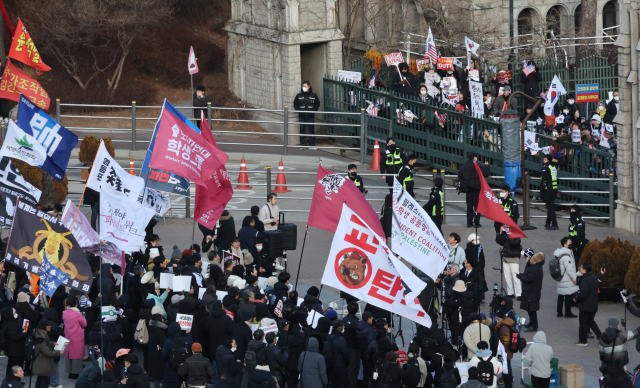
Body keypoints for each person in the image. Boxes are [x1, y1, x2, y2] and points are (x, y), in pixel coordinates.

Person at [457, 151, 490, 228]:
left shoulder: (464, 166)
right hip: (477, 189)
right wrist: (487, 166)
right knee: (477, 206)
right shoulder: (478, 166)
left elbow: (460, 175)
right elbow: (486, 173)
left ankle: (469, 222)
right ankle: (477, 223)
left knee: (469, 206)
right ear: (474, 157)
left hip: (468, 189)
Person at [574, 263, 603, 346]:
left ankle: (583, 341)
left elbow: (583, 293)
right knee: (591, 322)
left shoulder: (585, 280)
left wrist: (576, 298)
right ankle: (600, 336)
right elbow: (596, 277)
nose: (580, 268)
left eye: (582, 267)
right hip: (594, 305)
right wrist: (601, 273)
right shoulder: (593, 278)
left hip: (585, 306)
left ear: (585, 270)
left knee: (583, 323)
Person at [32, 320, 65, 388]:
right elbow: (48, 352)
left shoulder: (40, 334)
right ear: (44, 327)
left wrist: (53, 343)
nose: (50, 326)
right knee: (44, 380)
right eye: (48, 325)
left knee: (40, 379)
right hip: (43, 362)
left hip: (40, 361)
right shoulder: (41, 339)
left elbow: (45, 343)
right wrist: (59, 352)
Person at [62, 298, 86, 379]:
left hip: (68, 335)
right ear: (76, 305)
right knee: (77, 356)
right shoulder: (77, 314)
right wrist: (84, 318)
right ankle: (75, 373)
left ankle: (70, 372)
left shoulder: (65, 313)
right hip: (77, 336)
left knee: (69, 355)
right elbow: (84, 324)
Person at [554, 237, 579, 318]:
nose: (571, 243)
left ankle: (559, 312)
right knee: (568, 295)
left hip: (561, 277)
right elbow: (569, 269)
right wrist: (575, 279)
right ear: (565, 245)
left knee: (561, 295)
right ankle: (567, 313)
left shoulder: (561, 253)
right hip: (566, 278)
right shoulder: (566, 256)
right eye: (569, 242)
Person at [495, 227, 522, 299]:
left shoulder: (516, 236)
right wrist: (500, 233)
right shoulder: (506, 235)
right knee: (507, 276)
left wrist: (509, 234)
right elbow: (499, 242)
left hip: (514, 259)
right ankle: (510, 292)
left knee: (516, 276)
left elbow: (514, 243)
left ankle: (518, 293)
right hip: (506, 258)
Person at [294, 81, 320, 148]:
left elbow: (317, 103)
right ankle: (302, 144)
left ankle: (312, 144)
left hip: (310, 116)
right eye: (303, 86)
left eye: (305, 86)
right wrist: (298, 111)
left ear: (308, 87)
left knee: (311, 130)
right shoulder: (299, 95)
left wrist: (314, 110)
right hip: (302, 116)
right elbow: (295, 104)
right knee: (302, 130)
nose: (303, 88)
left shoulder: (313, 95)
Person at [342, 303, 360, 388]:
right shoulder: (356, 322)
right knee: (353, 370)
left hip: (344, 347)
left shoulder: (343, 320)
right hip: (354, 349)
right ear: (357, 310)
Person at [356, 312, 375, 388]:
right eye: (371, 318)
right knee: (373, 374)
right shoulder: (369, 329)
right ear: (368, 319)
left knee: (365, 374)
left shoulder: (358, 326)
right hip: (369, 356)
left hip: (362, 353)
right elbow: (371, 343)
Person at [540, 154, 558, 230]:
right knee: (550, 207)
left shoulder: (546, 168)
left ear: (548, 160)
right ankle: (548, 223)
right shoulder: (553, 167)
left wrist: (542, 192)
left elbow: (544, 181)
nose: (544, 160)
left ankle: (554, 224)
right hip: (554, 189)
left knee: (550, 209)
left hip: (548, 190)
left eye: (545, 159)